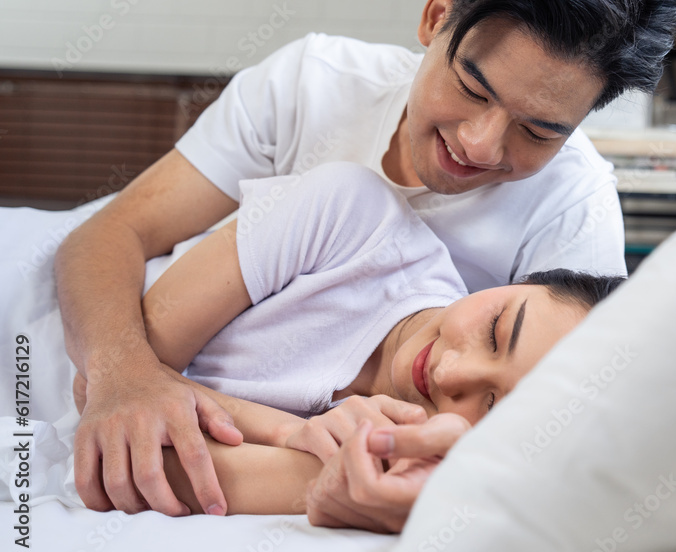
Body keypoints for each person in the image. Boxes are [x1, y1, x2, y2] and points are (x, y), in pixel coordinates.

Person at [54, 0, 676, 527]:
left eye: (540, 132)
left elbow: (563, 453)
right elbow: (112, 232)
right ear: (438, 14)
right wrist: (126, 377)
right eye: (472, 88)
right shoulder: (314, 92)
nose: (480, 144)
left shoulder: (573, 215)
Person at [65, 161, 624, 523]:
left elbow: (148, 467)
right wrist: (291, 434)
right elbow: (109, 386)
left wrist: (346, 469)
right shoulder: (351, 219)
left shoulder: (402, 466)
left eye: (493, 406)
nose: (451, 375)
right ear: (516, 280)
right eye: (497, 331)